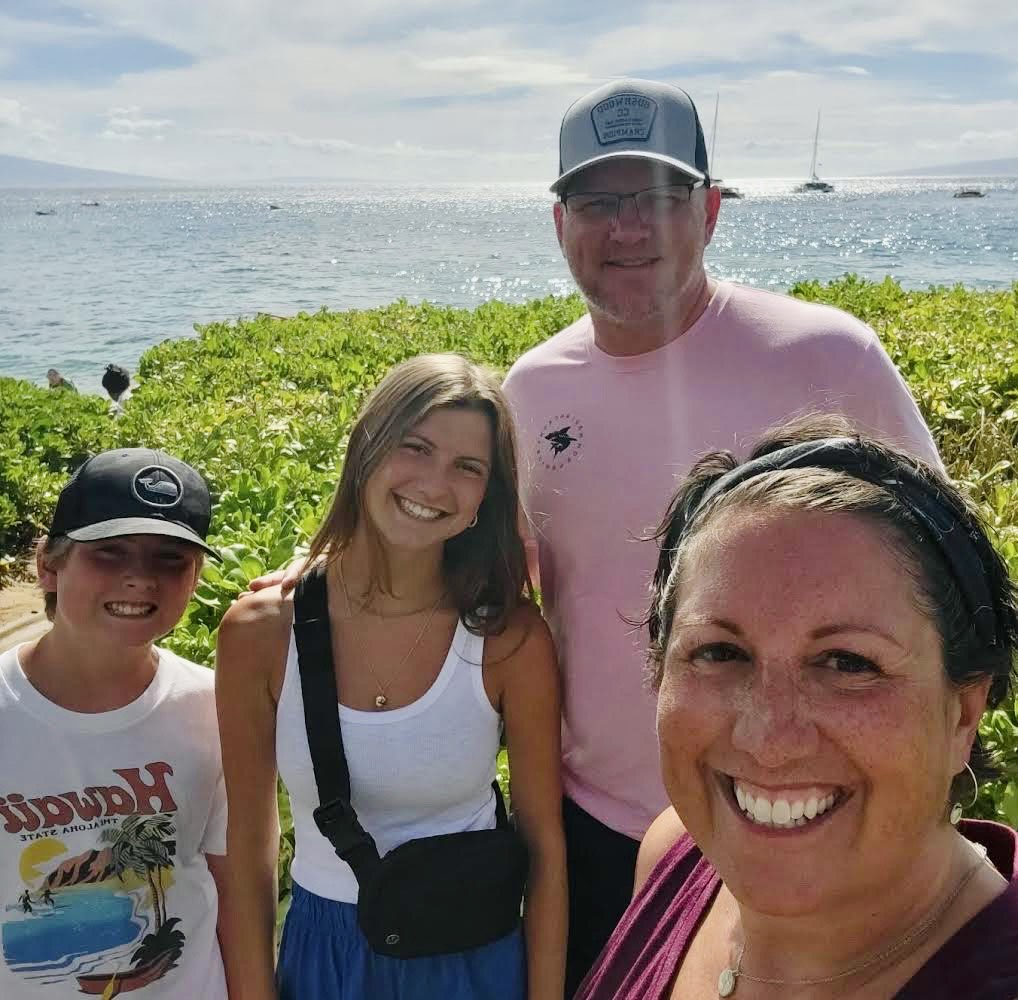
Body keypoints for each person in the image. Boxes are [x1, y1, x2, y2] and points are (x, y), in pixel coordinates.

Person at [499, 76, 942, 992]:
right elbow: (492, 577)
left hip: (799, 816)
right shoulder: (531, 390)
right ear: (559, 222)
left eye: (657, 197)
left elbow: (943, 576)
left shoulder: (829, 355)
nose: (627, 228)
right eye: (598, 202)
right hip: (594, 828)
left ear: (708, 211)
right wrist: (328, 566)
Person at [576, 415, 1018, 999]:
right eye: (719, 652)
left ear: (962, 713)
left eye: (848, 663)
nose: (769, 740)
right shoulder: (676, 853)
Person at [215, 353, 566, 1000]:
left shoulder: (509, 638)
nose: (434, 484)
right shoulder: (259, 633)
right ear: (366, 448)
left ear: (485, 497)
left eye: (467, 467)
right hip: (327, 953)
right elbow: (248, 844)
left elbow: (544, 843)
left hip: (472, 953)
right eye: (415, 447)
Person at [0, 448, 229, 998]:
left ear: (195, 578)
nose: (140, 578)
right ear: (48, 565)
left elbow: (240, 890)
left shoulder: (216, 706)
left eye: (170, 559)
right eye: (109, 552)